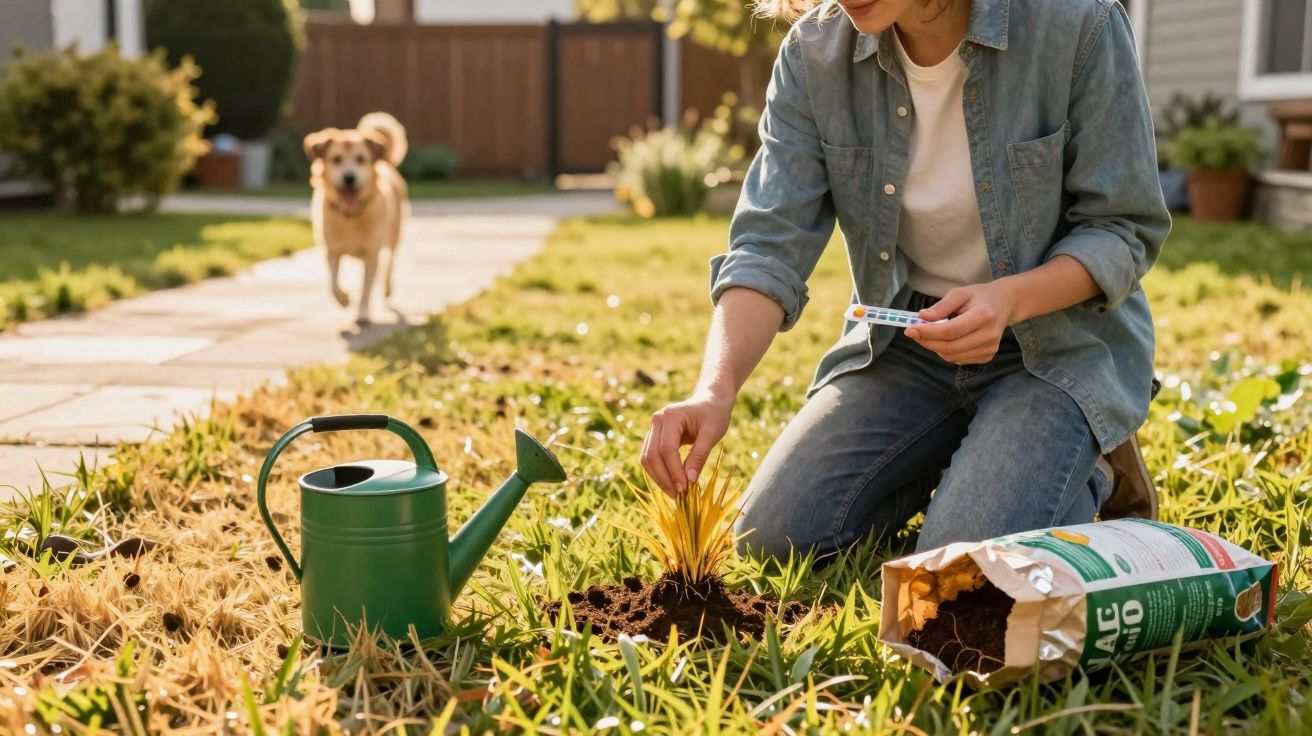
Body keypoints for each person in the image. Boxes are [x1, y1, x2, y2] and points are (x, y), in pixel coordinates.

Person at [640, 0, 1169, 559]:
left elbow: (1122, 228)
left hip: (1054, 348)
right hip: (907, 340)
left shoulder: (1077, 26)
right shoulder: (814, 54)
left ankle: (1092, 462)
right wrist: (714, 391)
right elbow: (769, 244)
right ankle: (968, 462)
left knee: (961, 567)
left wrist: (1007, 301)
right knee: (769, 540)